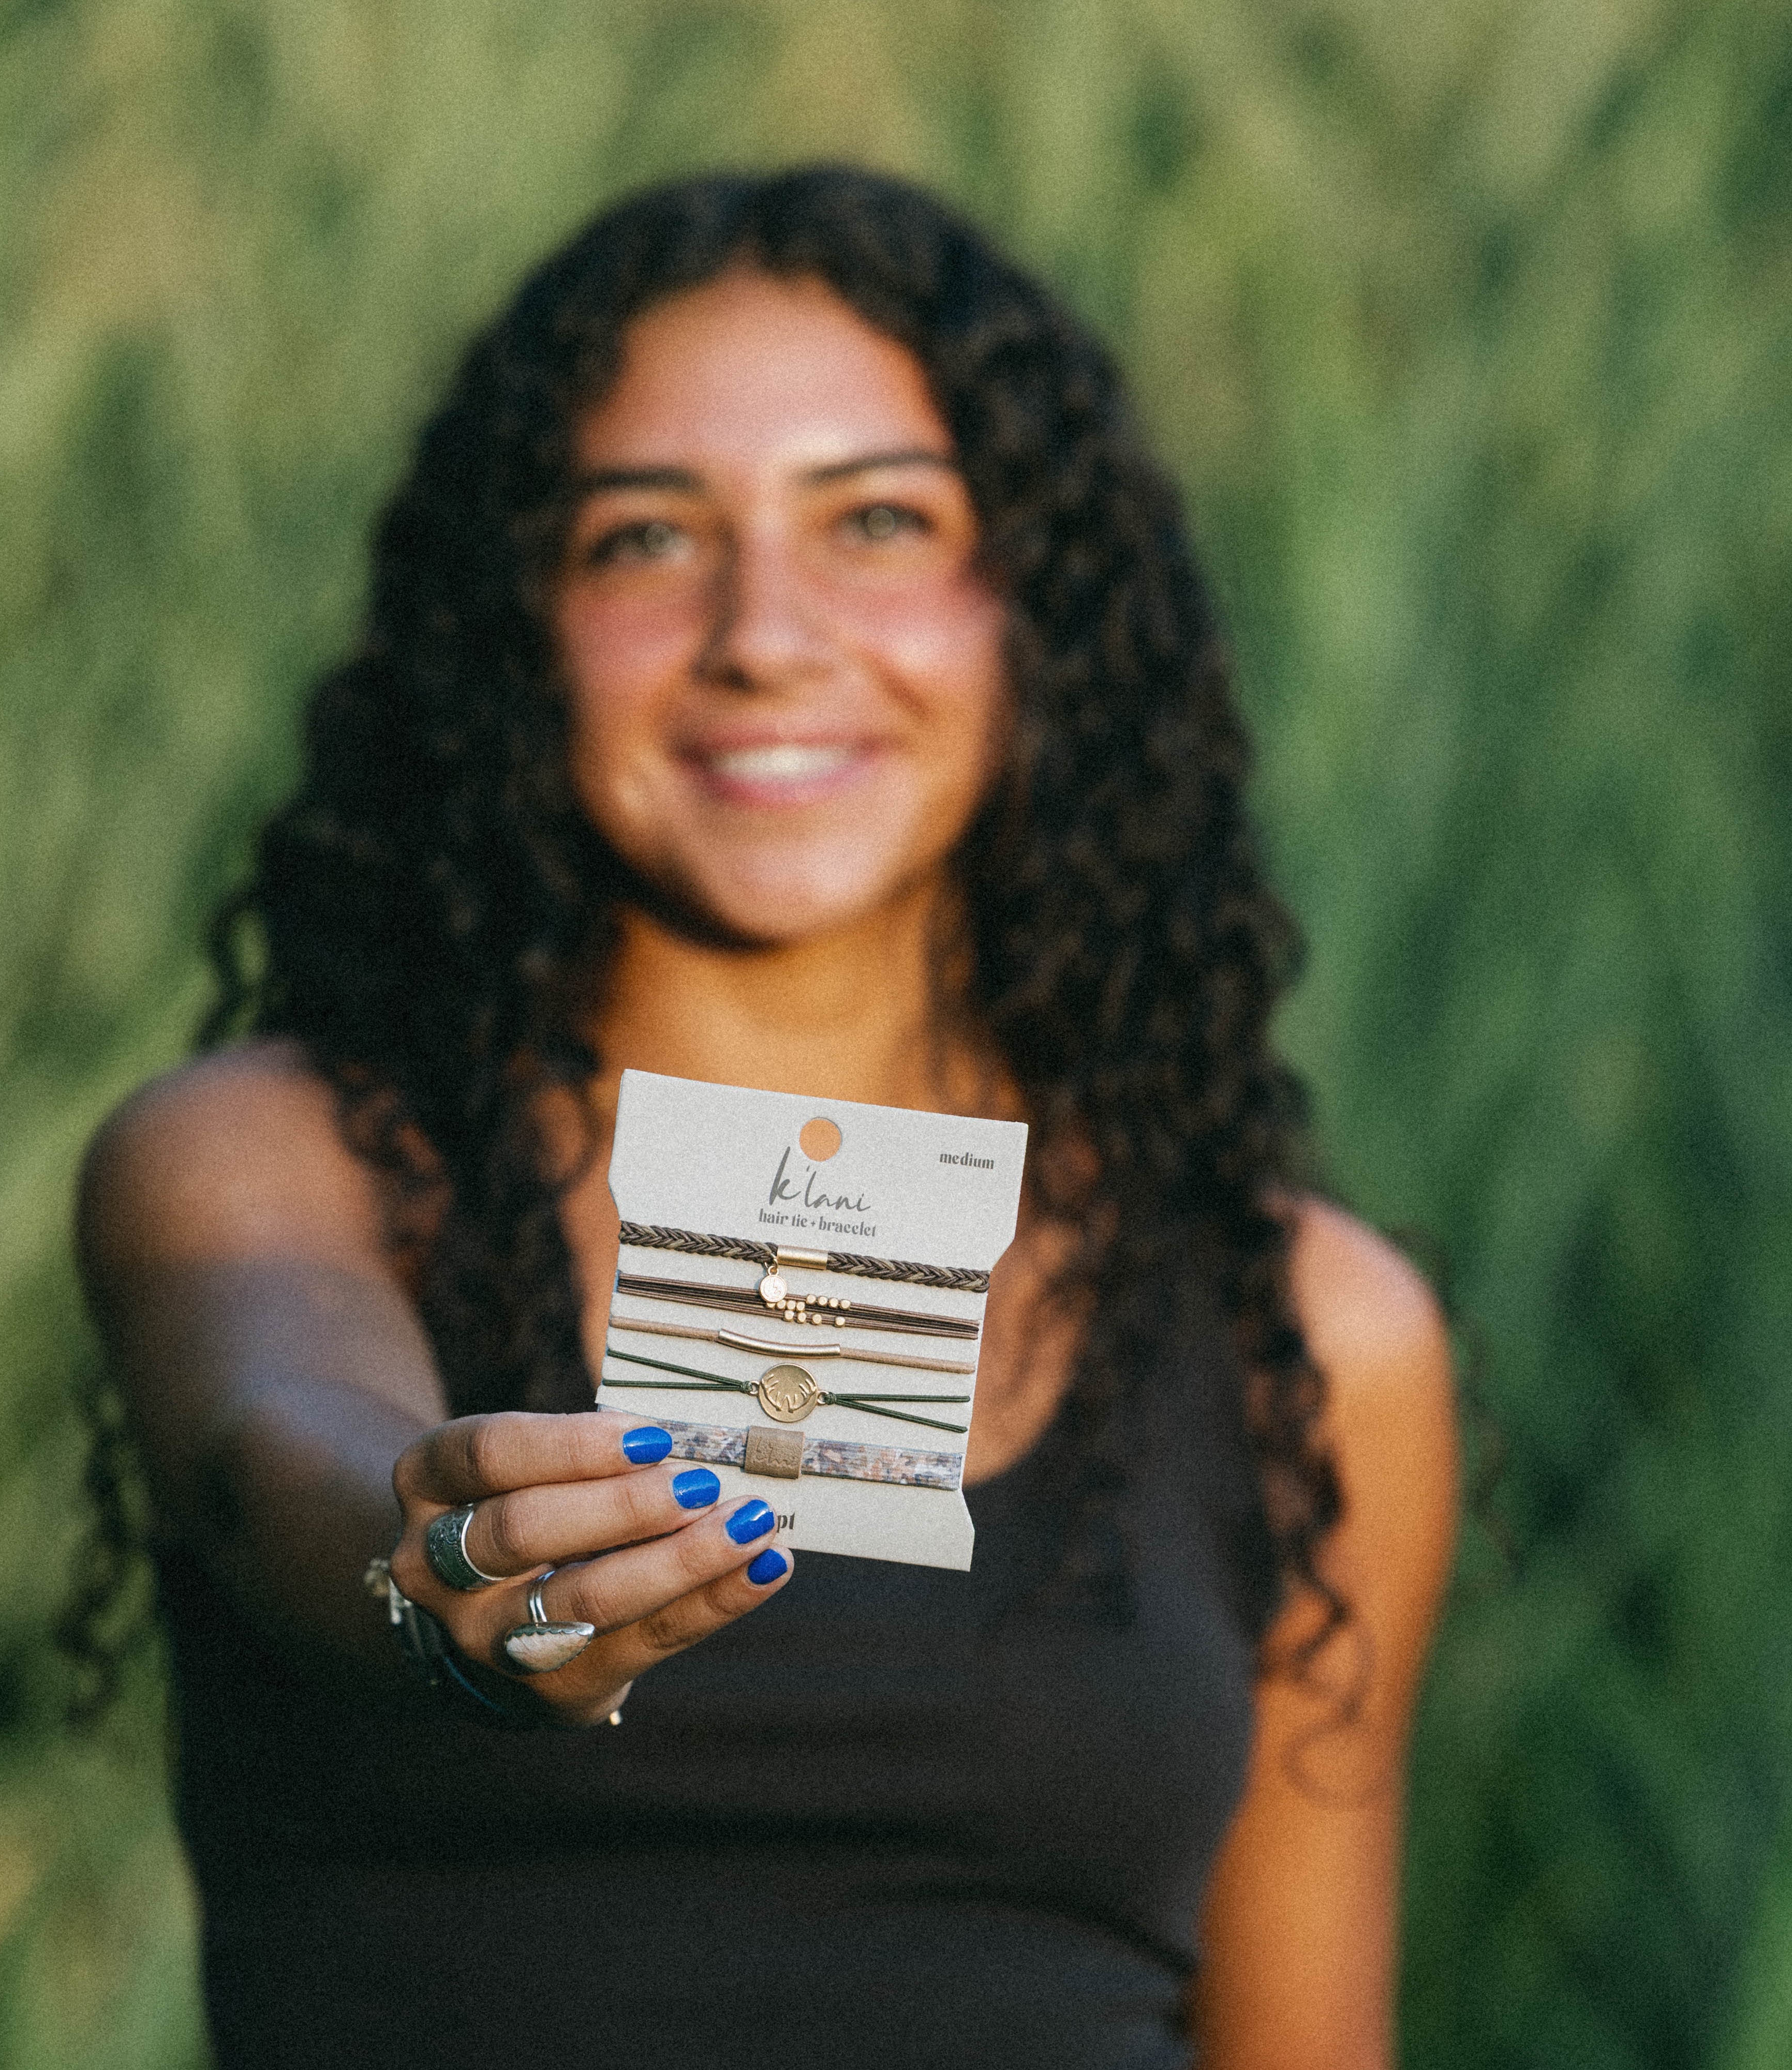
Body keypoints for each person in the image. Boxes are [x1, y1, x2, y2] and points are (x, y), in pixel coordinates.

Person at [75, 166, 1458, 2069]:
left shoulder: (1311, 1330)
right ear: (515, 628)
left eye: (880, 521)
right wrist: (442, 1571)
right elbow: (272, 1443)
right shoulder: (281, 1160)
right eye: (645, 539)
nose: (767, 632)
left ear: (1046, 606)